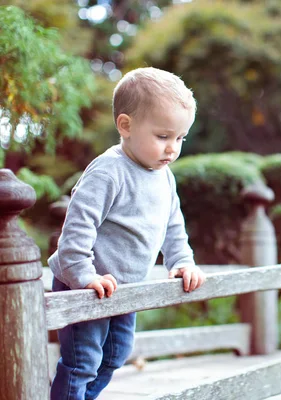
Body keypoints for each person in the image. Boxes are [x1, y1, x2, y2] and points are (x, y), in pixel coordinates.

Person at [48, 67, 206, 400]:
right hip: (87, 285)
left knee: (115, 356)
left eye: (180, 138)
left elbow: (172, 224)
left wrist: (181, 261)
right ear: (126, 125)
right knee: (82, 362)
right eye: (163, 136)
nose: (172, 149)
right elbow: (79, 224)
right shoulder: (109, 170)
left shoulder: (164, 177)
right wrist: (83, 275)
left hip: (126, 290)